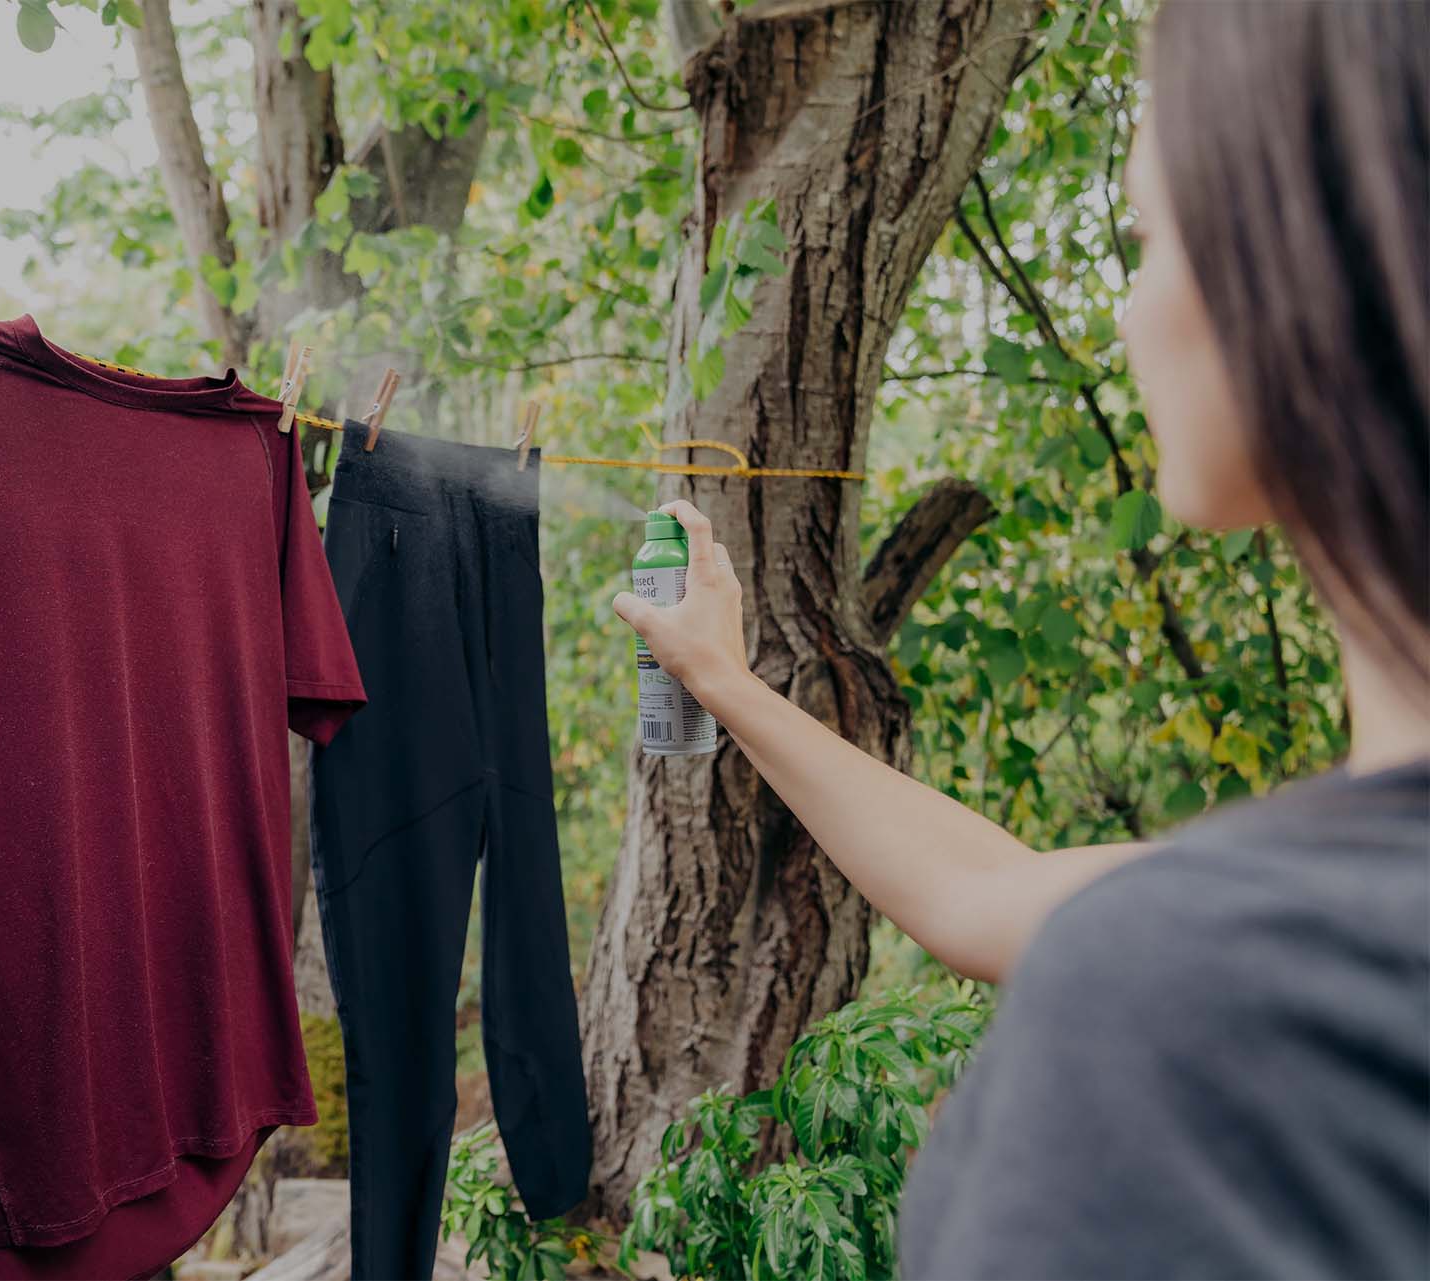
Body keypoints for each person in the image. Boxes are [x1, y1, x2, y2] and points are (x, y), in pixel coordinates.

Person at [612, 3, 1428, 1277]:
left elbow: (1129, 943)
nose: (1132, 303)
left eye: (1148, 237)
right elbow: (985, 896)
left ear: (1294, 271)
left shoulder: (1182, 1010)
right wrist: (722, 676)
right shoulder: (1298, 924)